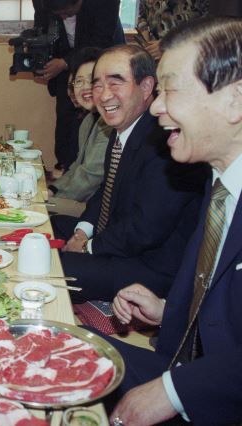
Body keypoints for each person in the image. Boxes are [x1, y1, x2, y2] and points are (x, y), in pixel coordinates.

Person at [107, 16, 242, 425]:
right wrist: (168, 310)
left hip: (216, 396)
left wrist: (174, 392)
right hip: (185, 367)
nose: (156, 106)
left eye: (170, 89)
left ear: (235, 100)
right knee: (44, 336)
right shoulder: (219, 183)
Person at [50, 44, 207, 303]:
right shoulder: (123, 128)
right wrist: (82, 232)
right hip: (118, 237)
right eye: (98, 85)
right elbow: (106, 190)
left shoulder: (166, 141)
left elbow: (146, 228)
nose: (103, 95)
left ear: (146, 87)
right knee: (50, 225)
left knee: (53, 268)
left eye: (116, 83)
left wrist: (88, 247)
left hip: (150, 265)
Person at [32, 0, 124, 172]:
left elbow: (101, 39)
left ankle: (92, 172)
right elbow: (41, 29)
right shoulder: (42, 2)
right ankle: (66, 168)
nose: (63, 17)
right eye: (58, 14)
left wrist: (65, 62)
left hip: (100, 60)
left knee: (100, 121)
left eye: (67, 12)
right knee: (66, 123)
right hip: (63, 66)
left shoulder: (104, 4)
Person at [48, 47, 111, 217]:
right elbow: (77, 166)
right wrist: (53, 189)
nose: (85, 87)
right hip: (82, 200)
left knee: (33, 210)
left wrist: (51, 199)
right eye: (79, 81)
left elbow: (89, 177)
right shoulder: (89, 120)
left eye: (91, 80)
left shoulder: (109, 124)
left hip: (95, 209)